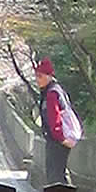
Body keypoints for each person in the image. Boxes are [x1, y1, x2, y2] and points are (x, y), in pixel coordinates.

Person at [34, 57, 76, 185]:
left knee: (55, 175)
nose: (37, 80)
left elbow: (55, 118)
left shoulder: (52, 94)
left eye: (40, 76)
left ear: (48, 76)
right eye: (36, 76)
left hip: (57, 140)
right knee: (60, 172)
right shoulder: (57, 90)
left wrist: (61, 138)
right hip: (59, 139)